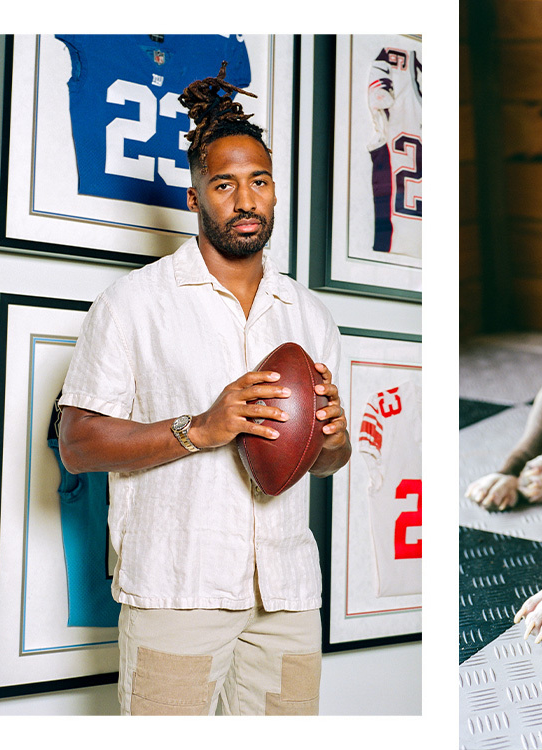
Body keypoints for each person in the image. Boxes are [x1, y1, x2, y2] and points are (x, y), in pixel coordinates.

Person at [58, 62, 350, 716]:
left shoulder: (310, 315)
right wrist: (202, 428)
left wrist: (333, 439)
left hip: (288, 598)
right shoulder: (134, 303)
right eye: (224, 185)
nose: (246, 201)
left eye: (260, 182)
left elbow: (328, 463)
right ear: (194, 199)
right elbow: (76, 444)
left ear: (275, 193)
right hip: (175, 594)